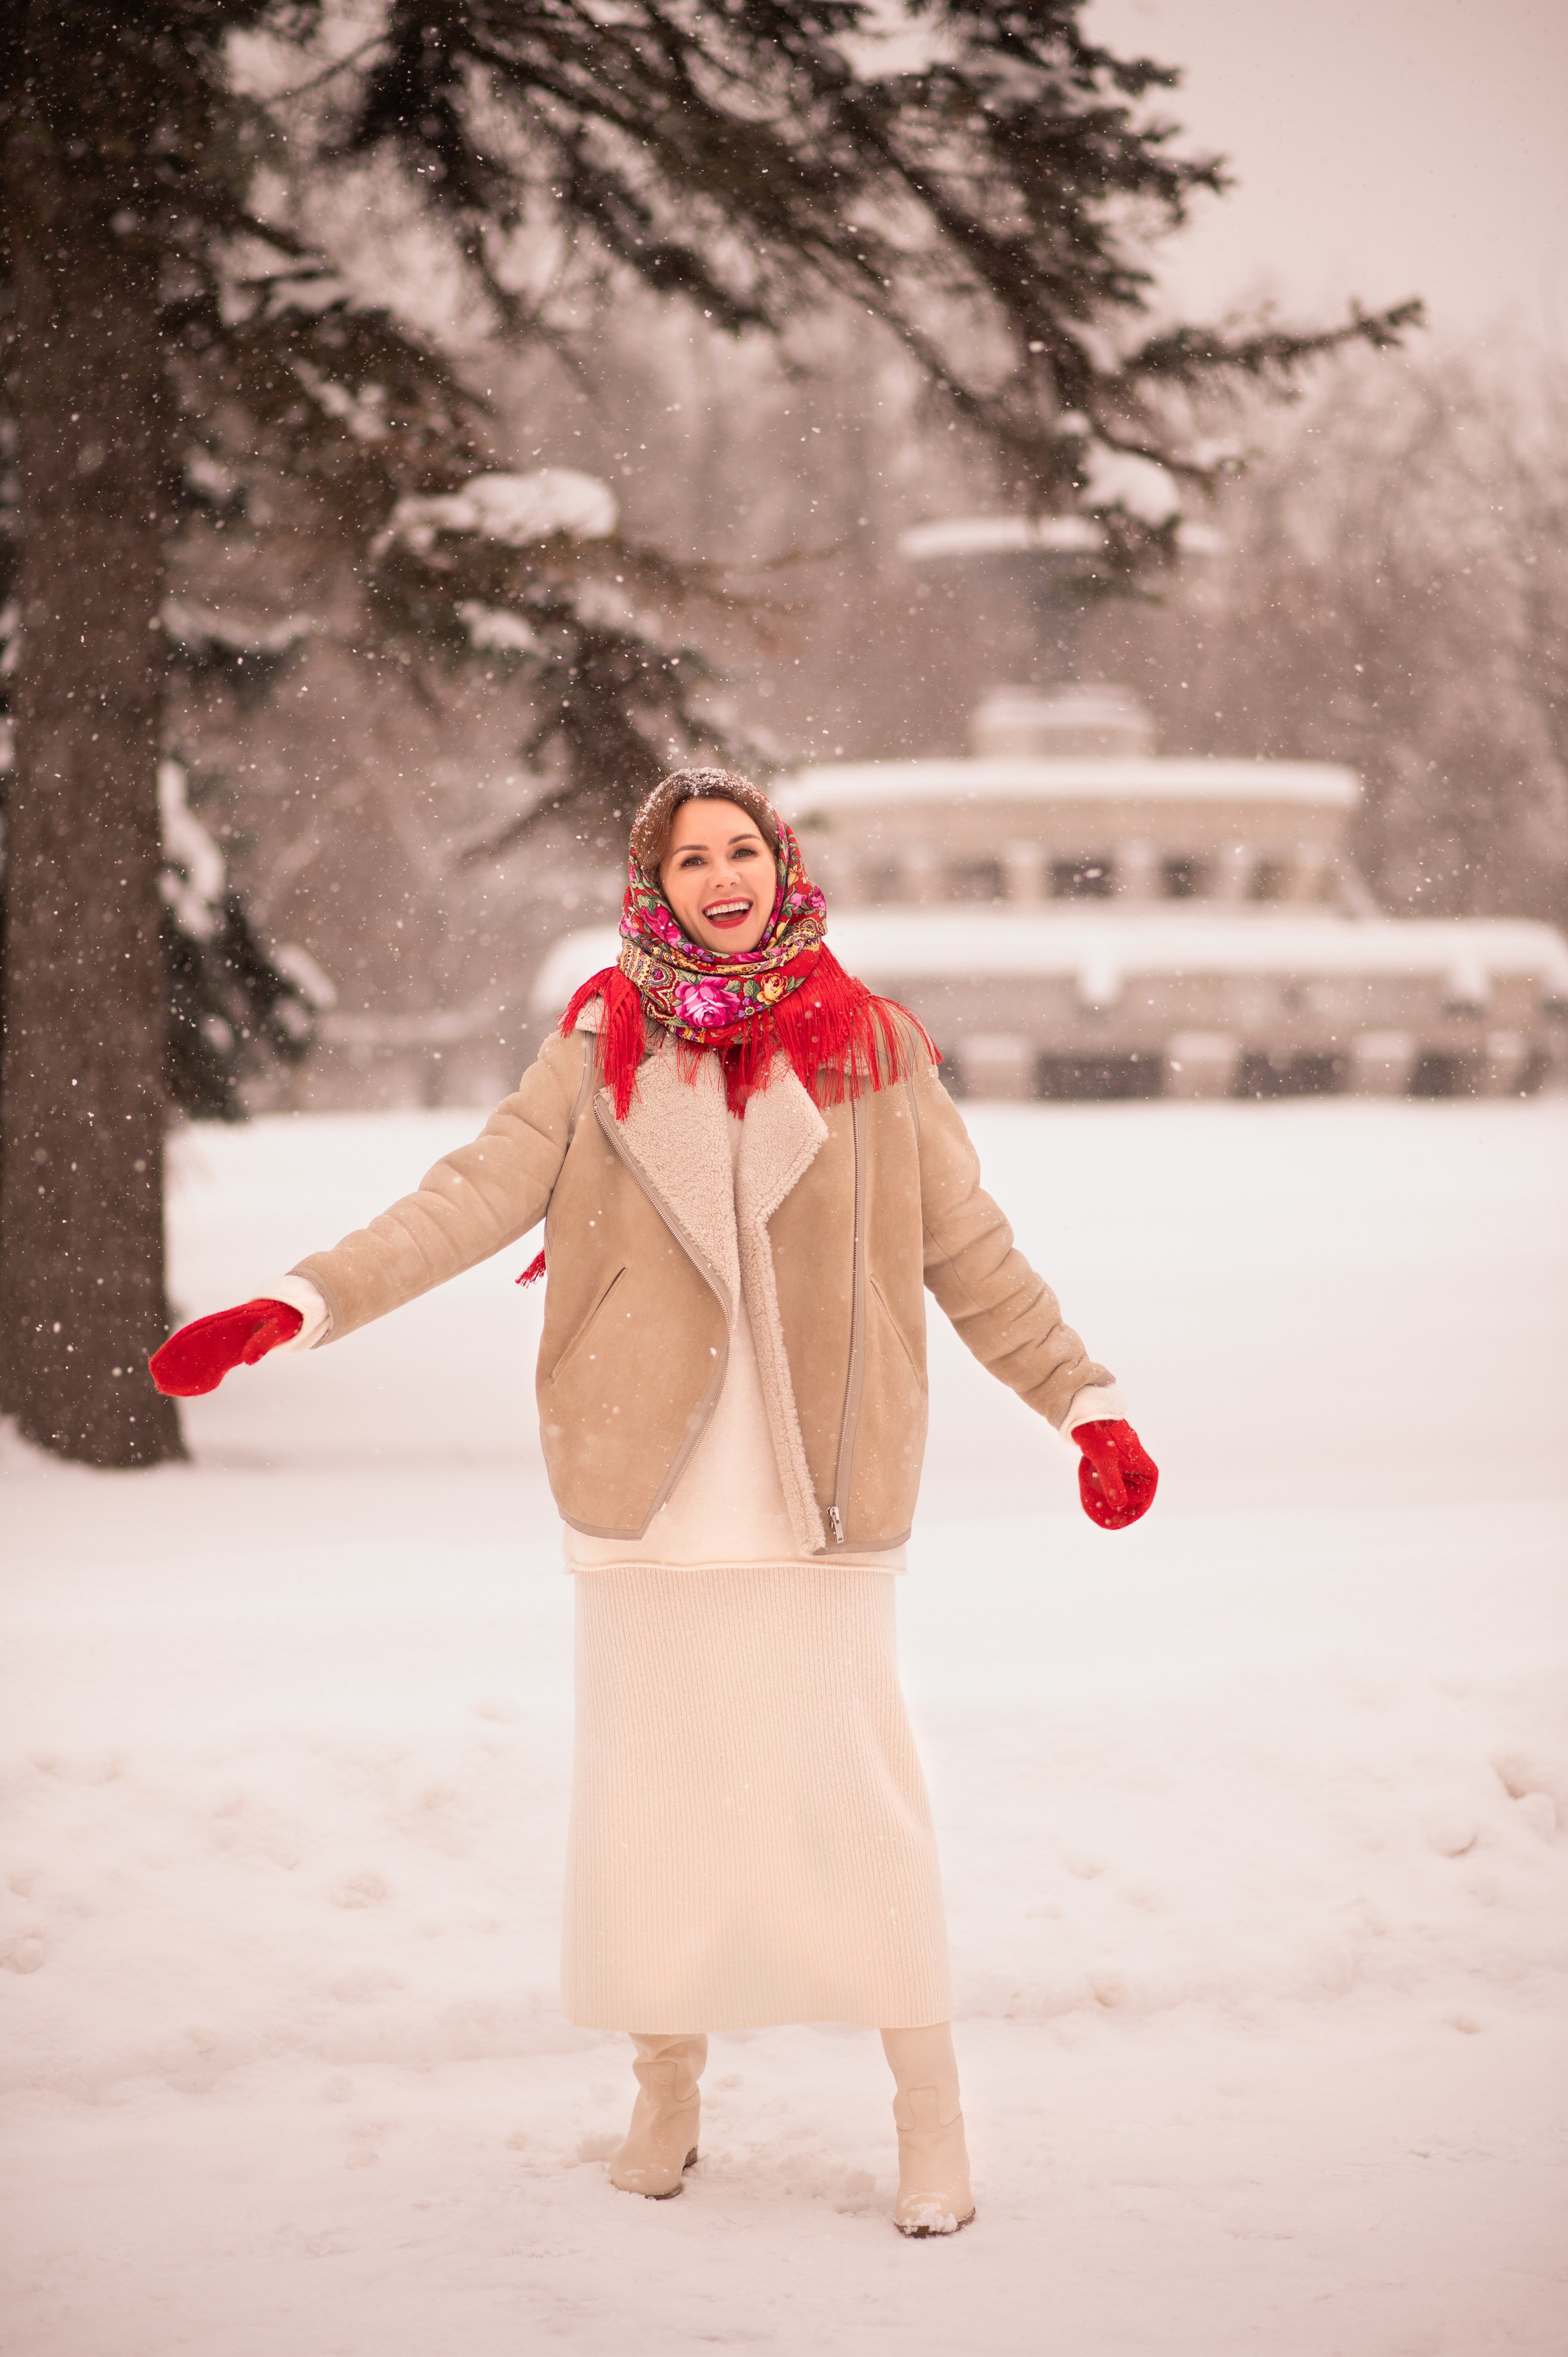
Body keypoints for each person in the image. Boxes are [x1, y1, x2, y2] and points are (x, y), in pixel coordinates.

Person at [151, 766, 1157, 2238]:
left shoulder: (874, 1050)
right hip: (647, 1493)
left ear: (780, 864)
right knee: (652, 1817)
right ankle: (667, 2090)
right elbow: (466, 1196)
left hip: (820, 1496)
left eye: (742, 847)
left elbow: (971, 1253)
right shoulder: (598, 1050)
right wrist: (301, 1302)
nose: (722, 873)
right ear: (654, 884)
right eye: (691, 857)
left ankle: (925, 2113)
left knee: (858, 1816)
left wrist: (1084, 1400)